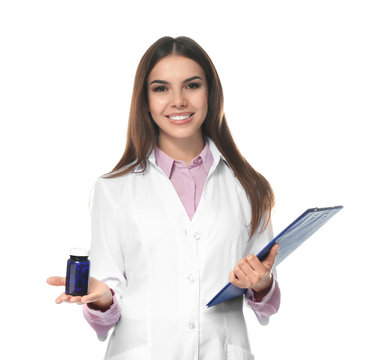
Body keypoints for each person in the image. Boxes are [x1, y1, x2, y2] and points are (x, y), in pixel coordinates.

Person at [47, 36, 281, 360]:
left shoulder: (250, 187)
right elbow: (104, 313)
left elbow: (266, 306)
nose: (178, 101)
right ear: (145, 101)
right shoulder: (113, 189)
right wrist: (102, 299)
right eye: (161, 89)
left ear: (211, 94)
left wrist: (262, 283)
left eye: (192, 85)